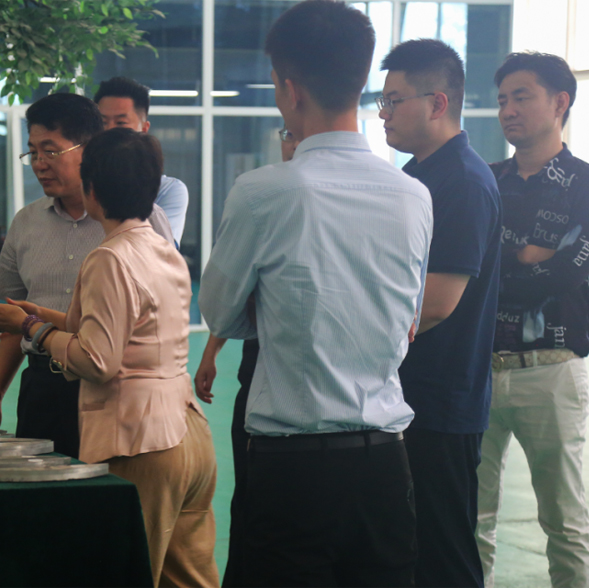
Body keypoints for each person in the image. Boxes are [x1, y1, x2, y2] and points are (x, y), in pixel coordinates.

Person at [200, 1, 434, 585]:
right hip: (386, 464)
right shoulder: (412, 195)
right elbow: (407, 318)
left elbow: (221, 314)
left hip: (293, 470)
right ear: (361, 80)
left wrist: (273, 308)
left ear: (289, 88)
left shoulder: (263, 192)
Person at [0, 128, 218, 588]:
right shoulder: (162, 248)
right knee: (188, 577)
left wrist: (32, 329)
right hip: (188, 431)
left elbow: (97, 359)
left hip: (142, 440)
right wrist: (30, 315)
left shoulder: (109, 256)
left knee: (125, 571)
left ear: (91, 189)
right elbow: (113, 329)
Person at [0, 93, 174, 459]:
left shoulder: (142, 220)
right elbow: (15, 318)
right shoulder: (26, 223)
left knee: (108, 491)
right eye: (32, 152)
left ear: (89, 149)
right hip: (42, 388)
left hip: (113, 392)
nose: (39, 164)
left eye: (51, 151)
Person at [476, 52, 589, 588]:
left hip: (551, 371)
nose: (508, 109)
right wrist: (527, 255)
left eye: (522, 96)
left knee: (564, 521)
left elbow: (562, 275)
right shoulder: (484, 181)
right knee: (470, 518)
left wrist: (496, 266)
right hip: (478, 372)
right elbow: (463, 270)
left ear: (559, 102)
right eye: (502, 99)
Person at [378, 39, 503, 588]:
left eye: (394, 100)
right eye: (381, 101)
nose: (383, 113)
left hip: (439, 403)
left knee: (443, 557)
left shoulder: (464, 183)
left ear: (437, 103)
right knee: (403, 549)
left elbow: (435, 304)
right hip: (405, 395)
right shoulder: (417, 176)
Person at [193, 126, 299, 588]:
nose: (291, 143)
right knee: (250, 496)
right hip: (258, 372)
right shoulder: (265, 198)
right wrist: (211, 351)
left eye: (298, 134)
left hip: (302, 393)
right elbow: (233, 296)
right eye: (287, 134)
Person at [94, 76, 189, 243]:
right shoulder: (83, 186)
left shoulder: (167, 191)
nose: (109, 131)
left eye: (121, 123)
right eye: (103, 123)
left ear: (144, 129)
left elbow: (161, 252)